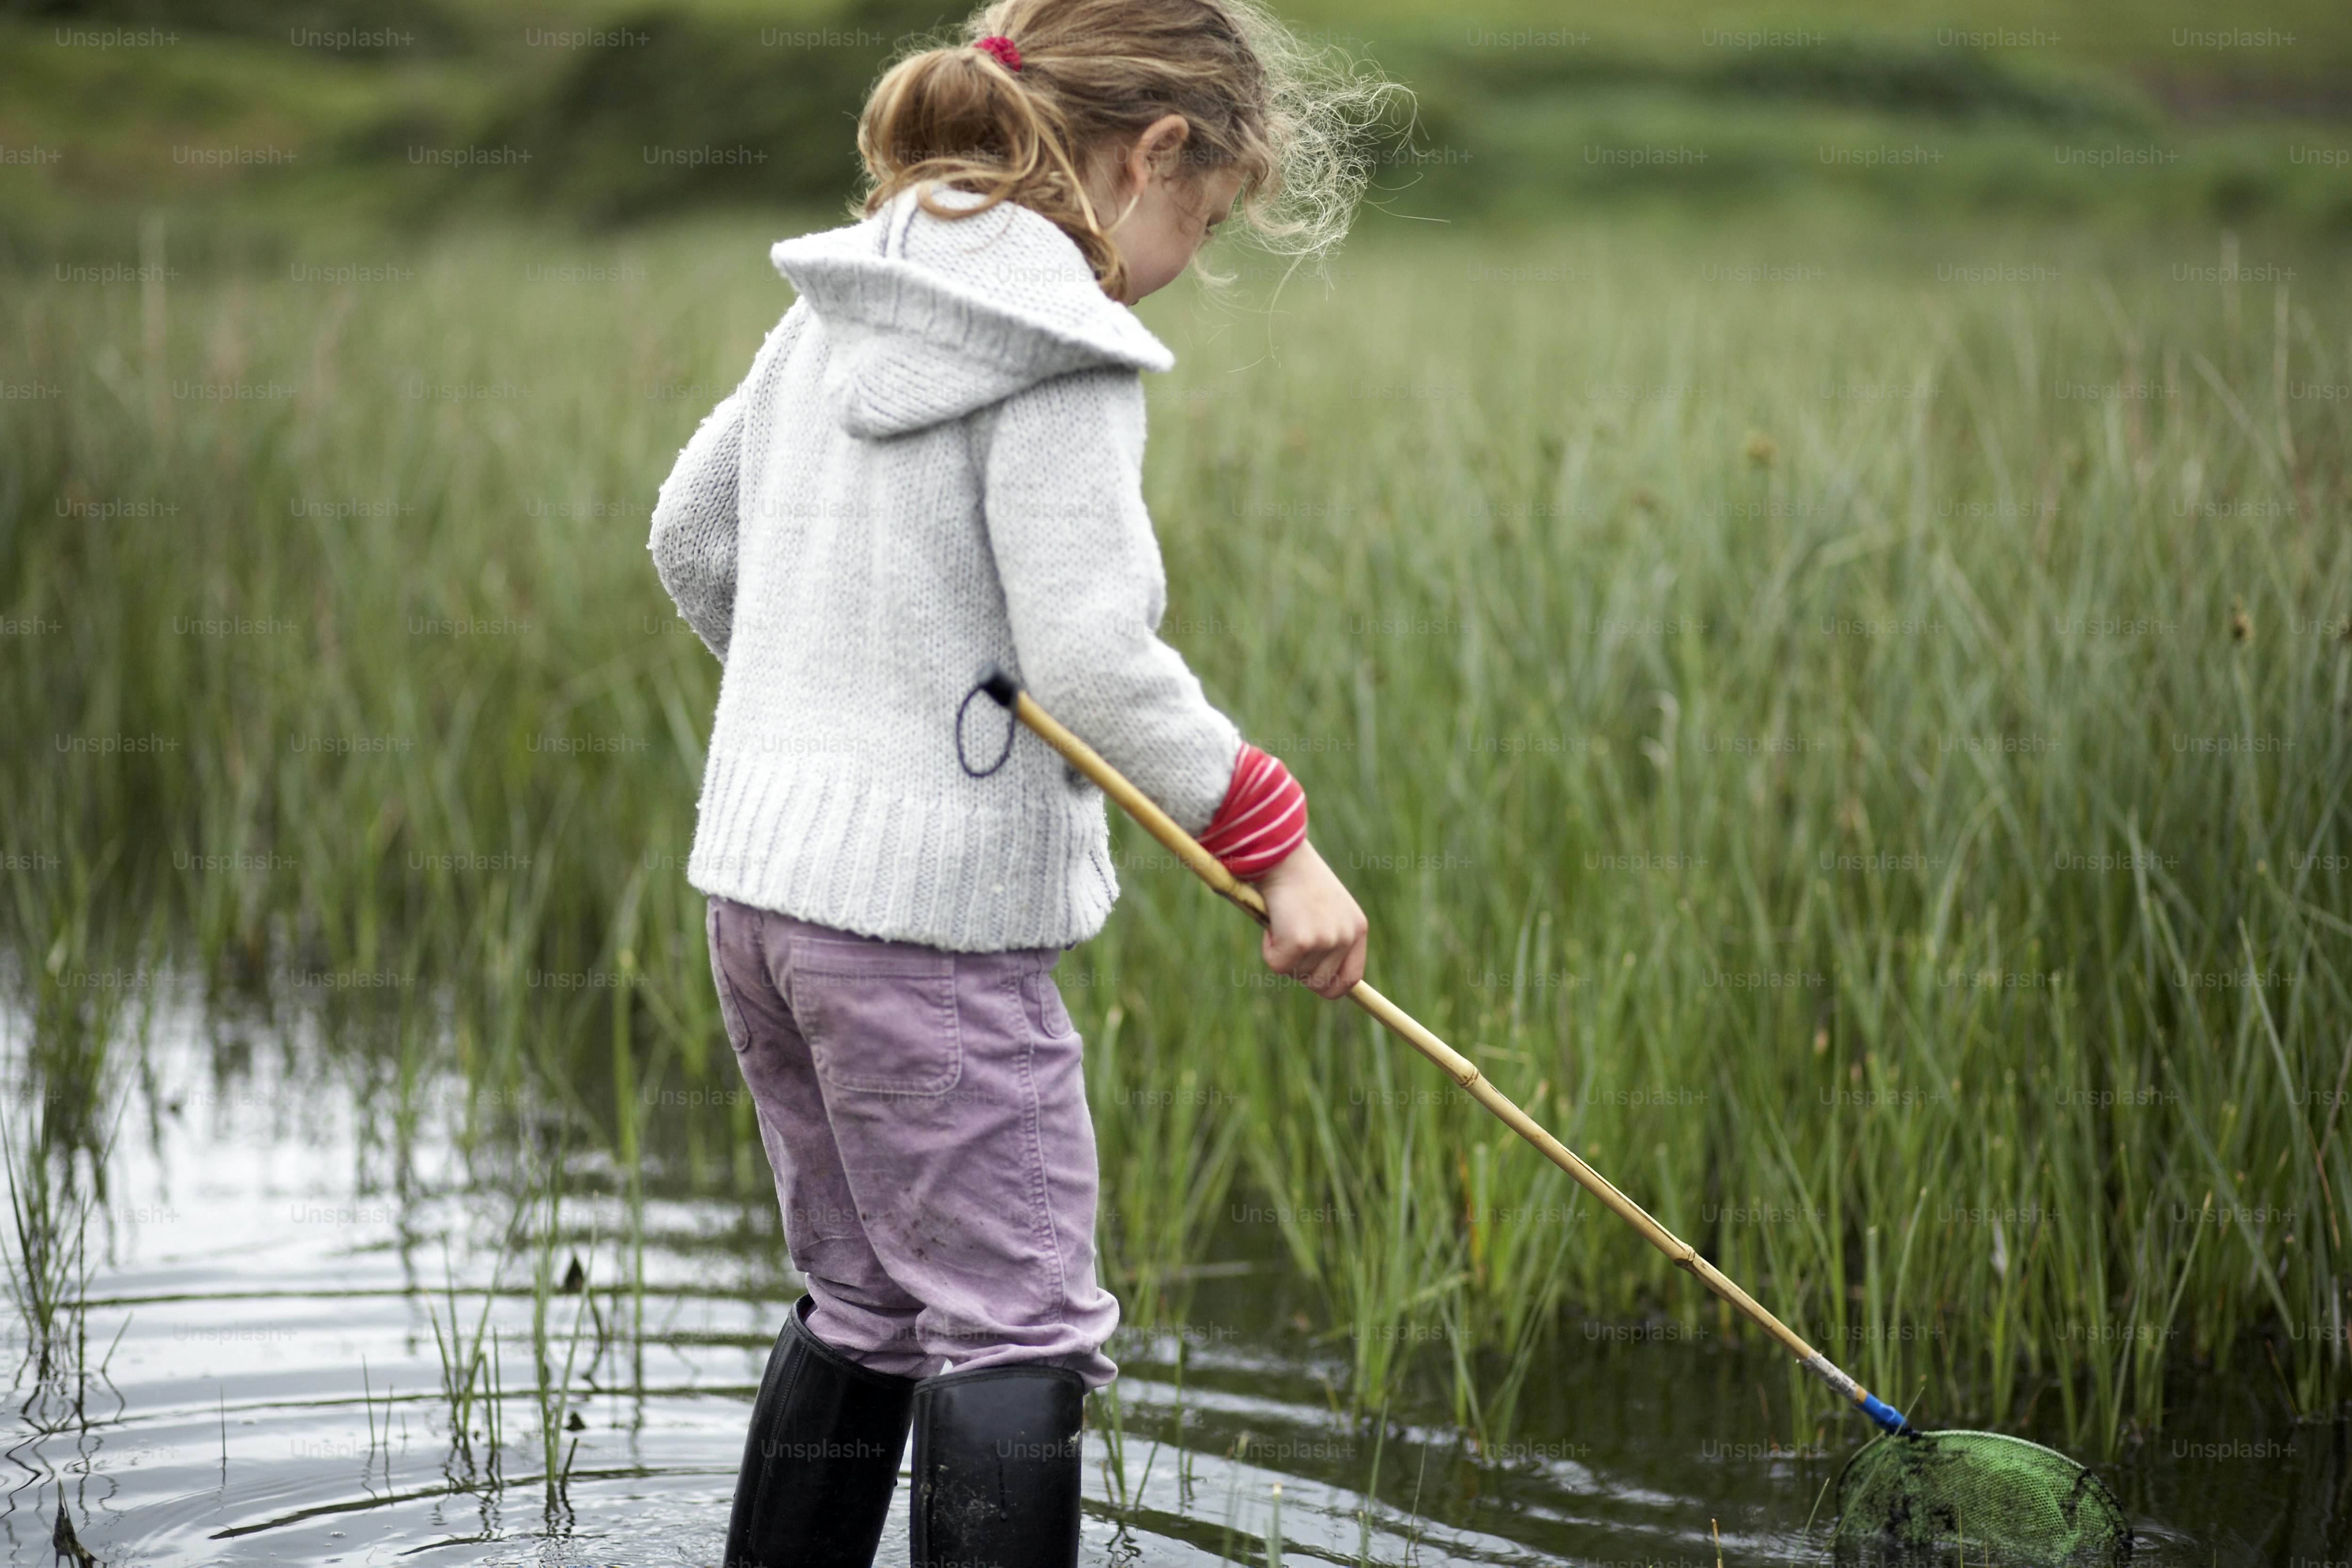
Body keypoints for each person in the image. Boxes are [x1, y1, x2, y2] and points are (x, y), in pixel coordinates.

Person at [648, 2, 1388, 1562]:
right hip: (920, 933)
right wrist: (1280, 845)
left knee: (862, 1298)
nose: (1184, 252)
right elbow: (1098, 665)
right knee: (1015, 1327)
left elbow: (691, 538)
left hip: (761, 900)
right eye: (1202, 217)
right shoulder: (1063, 339)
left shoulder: (849, 286)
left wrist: (828, 723)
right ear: (1155, 152)